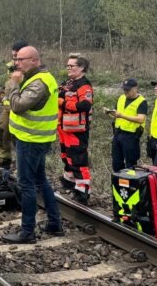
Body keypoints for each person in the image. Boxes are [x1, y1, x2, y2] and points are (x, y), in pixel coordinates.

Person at [2, 46, 63, 244]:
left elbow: (18, 106)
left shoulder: (39, 83)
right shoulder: (38, 78)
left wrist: (13, 85)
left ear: (35, 60)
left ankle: (27, 231)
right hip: (33, 139)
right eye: (16, 59)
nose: (16, 63)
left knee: (26, 185)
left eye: (21, 60)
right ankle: (55, 223)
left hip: (31, 141)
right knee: (41, 180)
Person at [57, 53, 94, 205]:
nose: (68, 68)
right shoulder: (69, 83)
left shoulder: (84, 85)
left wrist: (64, 103)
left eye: (72, 66)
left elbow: (85, 105)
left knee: (79, 159)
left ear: (82, 68)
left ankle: (83, 191)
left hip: (77, 130)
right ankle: (70, 182)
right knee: (67, 156)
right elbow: (57, 94)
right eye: (67, 66)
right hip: (64, 127)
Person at [0, 41, 28, 169]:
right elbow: (10, 82)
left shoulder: (29, 69)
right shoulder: (11, 67)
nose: (14, 60)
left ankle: (23, 167)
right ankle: (4, 161)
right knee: (0, 132)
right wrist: (4, 91)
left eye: (17, 57)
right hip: (7, 107)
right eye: (13, 57)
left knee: (17, 139)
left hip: (19, 107)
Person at [108, 78, 147, 172]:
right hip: (118, 133)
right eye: (124, 89)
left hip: (131, 136)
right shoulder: (121, 98)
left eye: (127, 89)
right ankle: (118, 183)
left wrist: (122, 116)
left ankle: (130, 184)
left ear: (135, 88)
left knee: (130, 163)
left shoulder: (141, 101)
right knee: (116, 162)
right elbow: (117, 113)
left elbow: (141, 119)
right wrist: (110, 112)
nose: (125, 92)